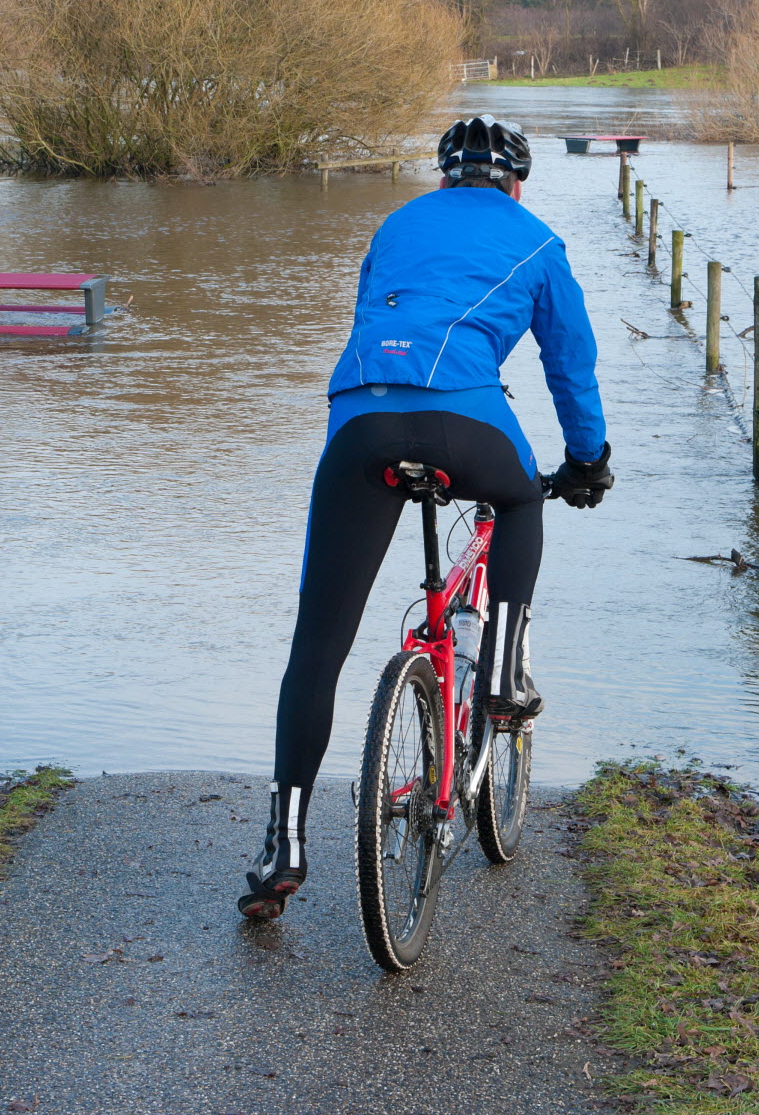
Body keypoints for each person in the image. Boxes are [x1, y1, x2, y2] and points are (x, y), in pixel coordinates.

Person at [239, 115, 612, 921]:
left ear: (444, 176)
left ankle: (283, 848)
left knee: (318, 647)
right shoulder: (539, 242)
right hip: (465, 421)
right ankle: (504, 674)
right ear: (518, 182)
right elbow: (569, 365)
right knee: (517, 498)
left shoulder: (393, 224)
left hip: (360, 424)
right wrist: (588, 460)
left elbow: (381, 317)